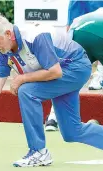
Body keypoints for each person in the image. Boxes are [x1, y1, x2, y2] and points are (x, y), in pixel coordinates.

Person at [0, 15, 103, 167]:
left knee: (26, 91)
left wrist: (22, 78)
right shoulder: (3, 53)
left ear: (8, 34)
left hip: (75, 67)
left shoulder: (35, 36)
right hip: (62, 73)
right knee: (72, 132)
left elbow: (55, 72)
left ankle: (38, 152)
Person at [45, 1, 103, 131]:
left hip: (79, 31)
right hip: (93, 32)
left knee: (66, 74)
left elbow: (71, 26)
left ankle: (54, 119)